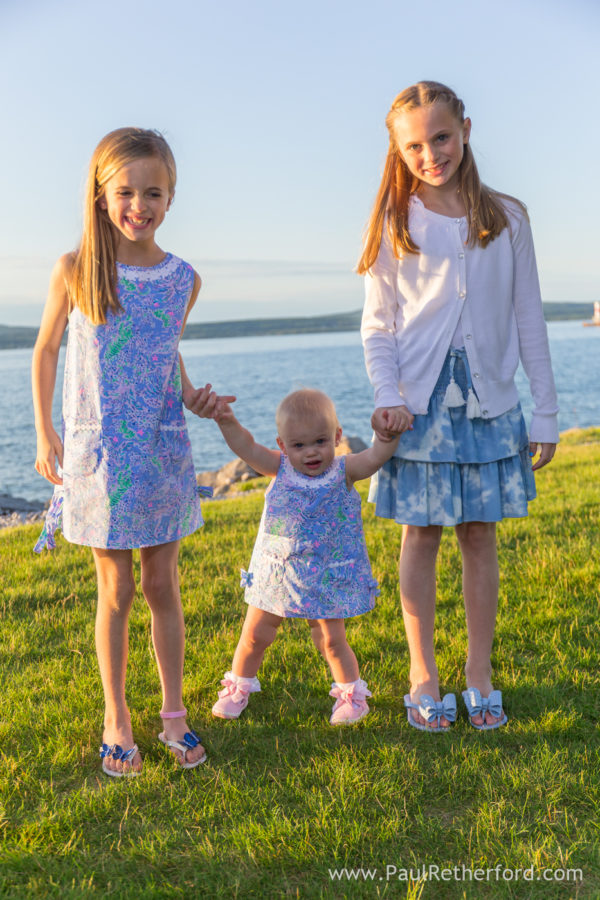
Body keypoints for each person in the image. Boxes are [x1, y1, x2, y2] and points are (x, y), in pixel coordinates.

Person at [358, 81, 558, 732]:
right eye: (414, 144)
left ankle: (478, 673)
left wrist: (547, 412)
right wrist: (388, 397)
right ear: (398, 149)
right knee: (423, 534)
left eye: (440, 137)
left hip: (491, 407)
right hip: (417, 411)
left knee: (479, 535)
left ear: (465, 130)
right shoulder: (396, 220)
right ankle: (423, 674)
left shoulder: (510, 219)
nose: (431, 153)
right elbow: (379, 325)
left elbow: (529, 319)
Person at [31, 128, 222, 775]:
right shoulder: (76, 269)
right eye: (126, 192)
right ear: (101, 193)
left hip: (163, 448)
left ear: (171, 198)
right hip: (100, 454)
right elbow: (47, 349)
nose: (139, 205)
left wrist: (192, 394)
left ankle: (174, 716)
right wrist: (44, 431)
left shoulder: (183, 279)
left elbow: (165, 348)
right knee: (114, 589)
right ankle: (118, 717)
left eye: (153, 193)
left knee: (162, 583)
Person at [207, 388, 398, 725]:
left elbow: (375, 458)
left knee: (330, 639)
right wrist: (227, 421)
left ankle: (351, 695)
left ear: (338, 437)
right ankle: (238, 687)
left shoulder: (345, 470)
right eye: (298, 445)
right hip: (278, 572)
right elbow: (246, 447)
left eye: (320, 441)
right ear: (282, 445)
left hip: (326, 575)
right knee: (255, 634)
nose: (311, 452)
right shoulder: (278, 467)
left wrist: (388, 437)